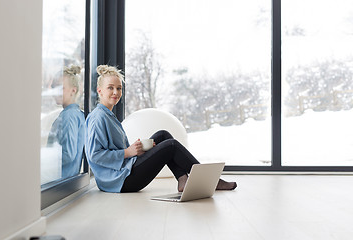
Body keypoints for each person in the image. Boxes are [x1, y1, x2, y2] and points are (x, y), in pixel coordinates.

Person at [85, 65, 237, 193]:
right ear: (100, 91)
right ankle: (211, 180)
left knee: (163, 135)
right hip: (120, 181)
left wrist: (137, 151)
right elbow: (95, 156)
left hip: (123, 171)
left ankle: (182, 179)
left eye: (119, 88)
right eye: (110, 88)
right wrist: (128, 152)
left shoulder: (108, 115)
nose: (116, 92)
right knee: (170, 146)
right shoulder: (98, 118)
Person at [47, 65, 85, 178]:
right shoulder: (78, 114)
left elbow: (68, 154)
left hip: (60, 180)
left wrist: (43, 159)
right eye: (53, 87)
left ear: (73, 90)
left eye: (60, 87)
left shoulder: (69, 116)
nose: (55, 92)